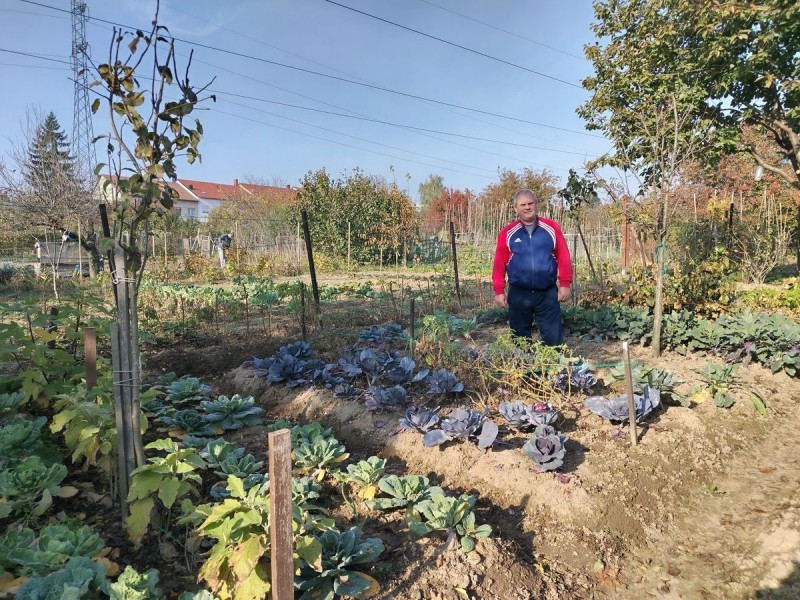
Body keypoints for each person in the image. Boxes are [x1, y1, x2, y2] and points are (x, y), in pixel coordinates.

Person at [492, 189, 572, 346]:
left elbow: (564, 257)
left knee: (553, 339)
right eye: (523, 205)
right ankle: (524, 369)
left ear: (536, 205)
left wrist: (565, 284)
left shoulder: (551, 228)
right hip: (519, 294)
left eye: (530, 203)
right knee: (520, 340)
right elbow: (499, 264)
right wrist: (499, 290)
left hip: (547, 293)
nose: (527, 207)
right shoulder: (508, 233)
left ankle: (553, 368)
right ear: (516, 208)